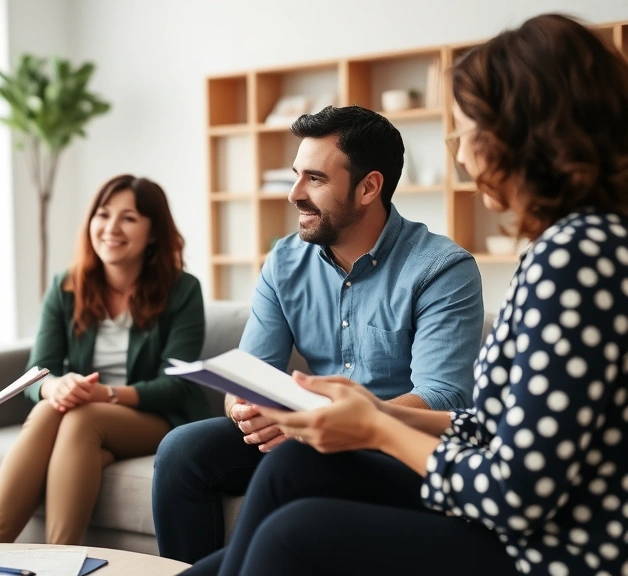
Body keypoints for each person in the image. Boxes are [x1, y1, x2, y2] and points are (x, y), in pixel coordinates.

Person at [183, 13, 628, 576]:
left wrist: (376, 427)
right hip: (512, 514)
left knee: (294, 535)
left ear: (523, 135)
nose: (462, 157)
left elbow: (517, 491)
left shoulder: (575, 256)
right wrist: (367, 408)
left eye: (465, 134)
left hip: (549, 550)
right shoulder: (571, 247)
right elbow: (490, 425)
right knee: (285, 474)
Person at [153, 105, 486, 563]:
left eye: (315, 179)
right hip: (303, 430)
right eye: (296, 175)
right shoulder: (285, 262)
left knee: (299, 465)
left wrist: (327, 423)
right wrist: (248, 409)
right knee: (181, 451)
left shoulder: (442, 269)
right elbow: (249, 373)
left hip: (387, 443)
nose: (293, 194)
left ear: (369, 187)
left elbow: (444, 395)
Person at [0, 174, 208, 545]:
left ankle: (58, 561)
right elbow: (37, 373)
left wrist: (105, 394)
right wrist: (58, 385)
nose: (111, 228)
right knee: (51, 409)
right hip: (83, 412)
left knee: (81, 417)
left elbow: (177, 386)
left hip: (156, 416)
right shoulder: (66, 286)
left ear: (153, 232)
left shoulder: (182, 290)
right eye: (103, 214)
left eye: (129, 218)